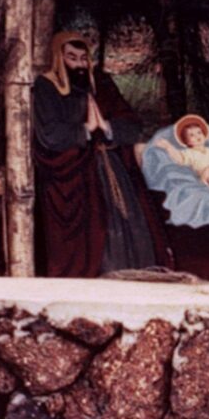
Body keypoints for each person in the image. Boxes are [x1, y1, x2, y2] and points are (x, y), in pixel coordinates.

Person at [33, 31, 171, 277]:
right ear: (59, 58)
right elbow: (49, 135)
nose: (79, 65)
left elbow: (131, 124)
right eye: (72, 58)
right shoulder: (47, 86)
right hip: (75, 173)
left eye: (83, 58)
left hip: (110, 166)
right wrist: (85, 129)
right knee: (94, 229)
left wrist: (106, 126)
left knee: (128, 223)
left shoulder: (101, 83)